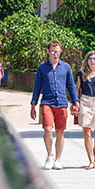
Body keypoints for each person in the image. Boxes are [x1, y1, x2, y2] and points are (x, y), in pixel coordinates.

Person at [29, 39, 78, 170]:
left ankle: (58, 160)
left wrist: (75, 102)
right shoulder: (42, 68)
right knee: (48, 129)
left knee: (60, 131)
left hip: (62, 103)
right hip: (47, 103)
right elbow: (36, 87)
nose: (55, 54)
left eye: (57, 51)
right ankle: (49, 156)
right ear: (48, 52)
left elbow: (71, 86)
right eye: (52, 51)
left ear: (61, 51)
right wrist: (33, 104)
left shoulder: (66, 67)